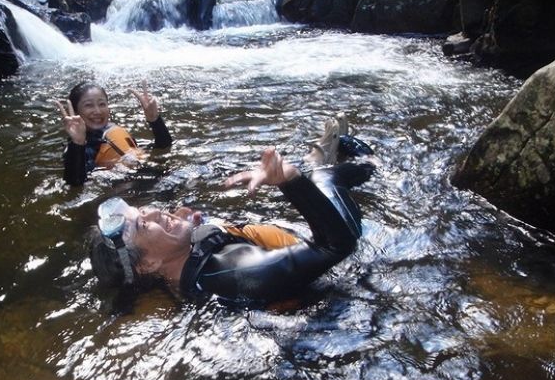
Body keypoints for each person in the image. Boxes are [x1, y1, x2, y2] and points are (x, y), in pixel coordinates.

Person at [88, 120, 375, 306]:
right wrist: (291, 182)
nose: (152, 212)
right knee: (322, 180)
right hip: (348, 262)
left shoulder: (180, 265)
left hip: (297, 246)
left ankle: (317, 158)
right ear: (148, 264)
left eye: (141, 210)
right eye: (142, 225)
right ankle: (369, 161)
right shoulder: (235, 272)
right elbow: (338, 247)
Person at [57, 81, 172, 186]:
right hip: (129, 196)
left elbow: (164, 150)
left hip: (157, 179)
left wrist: (155, 121)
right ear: (76, 112)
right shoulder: (78, 149)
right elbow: (75, 184)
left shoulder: (113, 130)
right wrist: (78, 142)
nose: (97, 111)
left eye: (102, 104)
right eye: (89, 105)